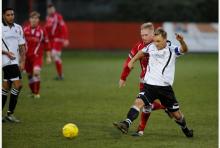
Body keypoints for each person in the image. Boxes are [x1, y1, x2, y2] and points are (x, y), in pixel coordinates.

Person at [113, 28, 193, 138]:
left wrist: (181, 41)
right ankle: (126, 123)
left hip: (165, 89)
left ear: (165, 39)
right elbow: (141, 52)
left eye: (158, 41)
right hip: (149, 86)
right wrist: (132, 61)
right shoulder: (151, 46)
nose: (156, 44)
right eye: (154, 41)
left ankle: (185, 128)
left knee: (177, 115)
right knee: (138, 103)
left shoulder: (172, 49)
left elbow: (184, 50)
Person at [119, 22, 169, 136]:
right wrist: (123, 77)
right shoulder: (138, 46)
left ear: (153, 34)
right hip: (144, 80)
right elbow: (129, 62)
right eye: (142, 35)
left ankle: (132, 125)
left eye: (146, 35)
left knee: (142, 103)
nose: (144, 37)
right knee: (146, 105)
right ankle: (140, 130)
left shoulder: (159, 45)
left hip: (159, 82)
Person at [2, 8, 26, 122]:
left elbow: (22, 46)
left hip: (15, 61)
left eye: (12, 14)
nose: (11, 16)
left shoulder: (18, 28)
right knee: (18, 85)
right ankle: (10, 114)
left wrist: (22, 61)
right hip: (6, 61)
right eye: (8, 15)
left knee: (6, 87)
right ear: (3, 16)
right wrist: (6, 52)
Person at [23, 11, 52, 99]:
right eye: (33, 18)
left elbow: (47, 44)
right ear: (29, 19)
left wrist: (48, 56)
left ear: (38, 20)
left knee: (36, 73)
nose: (34, 20)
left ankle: (37, 93)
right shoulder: (24, 30)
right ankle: (33, 92)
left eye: (36, 18)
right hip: (27, 57)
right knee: (29, 75)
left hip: (37, 56)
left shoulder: (42, 31)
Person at [44, 4, 69, 80]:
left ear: (54, 9)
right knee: (56, 57)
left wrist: (66, 39)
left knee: (54, 54)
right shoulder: (48, 17)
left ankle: (60, 75)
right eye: (49, 9)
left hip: (58, 39)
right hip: (51, 40)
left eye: (52, 8)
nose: (51, 10)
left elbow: (63, 27)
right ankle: (60, 75)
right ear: (47, 10)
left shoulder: (58, 16)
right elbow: (47, 29)